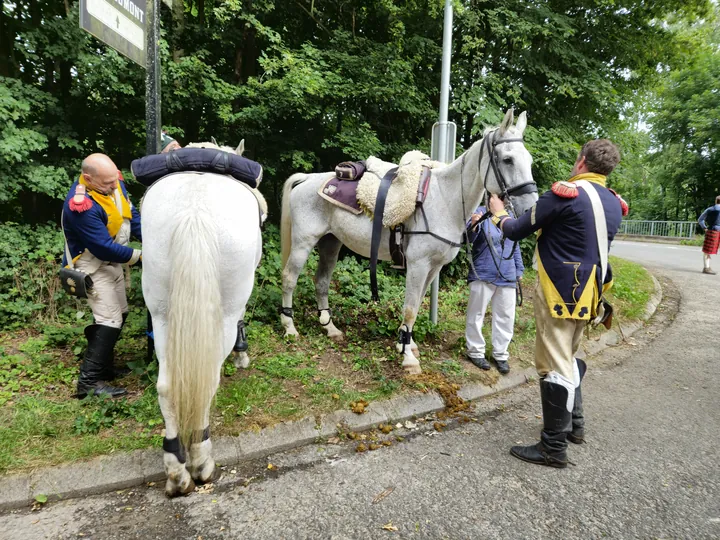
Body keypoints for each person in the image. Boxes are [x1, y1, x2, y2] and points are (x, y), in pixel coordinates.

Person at [488, 139, 628, 468]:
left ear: (581, 162)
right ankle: (574, 426)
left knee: (551, 363)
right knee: (568, 356)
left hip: (558, 292)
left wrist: (498, 213)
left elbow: (515, 230)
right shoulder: (612, 202)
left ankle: (552, 447)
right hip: (590, 293)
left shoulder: (566, 193)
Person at [62, 153, 142, 398]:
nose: (115, 185)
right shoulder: (80, 205)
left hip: (113, 264)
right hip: (93, 266)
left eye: (115, 179)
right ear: (88, 178)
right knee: (109, 320)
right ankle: (87, 383)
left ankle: (104, 366)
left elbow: (132, 217)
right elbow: (102, 247)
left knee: (121, 313)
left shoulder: (113, 184)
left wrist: (156, 239)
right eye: (108, 183)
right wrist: (142, 256)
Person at [465, 206, 524, 374]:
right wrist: (474, 226)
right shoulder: (479, 211)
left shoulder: (510, 215)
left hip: (507, 273)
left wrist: (519, 269)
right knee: (476, 313)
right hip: (483, 271)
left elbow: (515, 245)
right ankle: (475, 351)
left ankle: (500, 354)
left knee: (506, 315)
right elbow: (467, 239)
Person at [698, 196, 720, 275]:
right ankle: (706, 268)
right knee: (708, 250)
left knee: (707, 250)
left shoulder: (710, 209)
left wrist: (705, 228)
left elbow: (700, 219)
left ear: (715, 201)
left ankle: (706, 267)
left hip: (712, 231)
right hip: (717, 231)